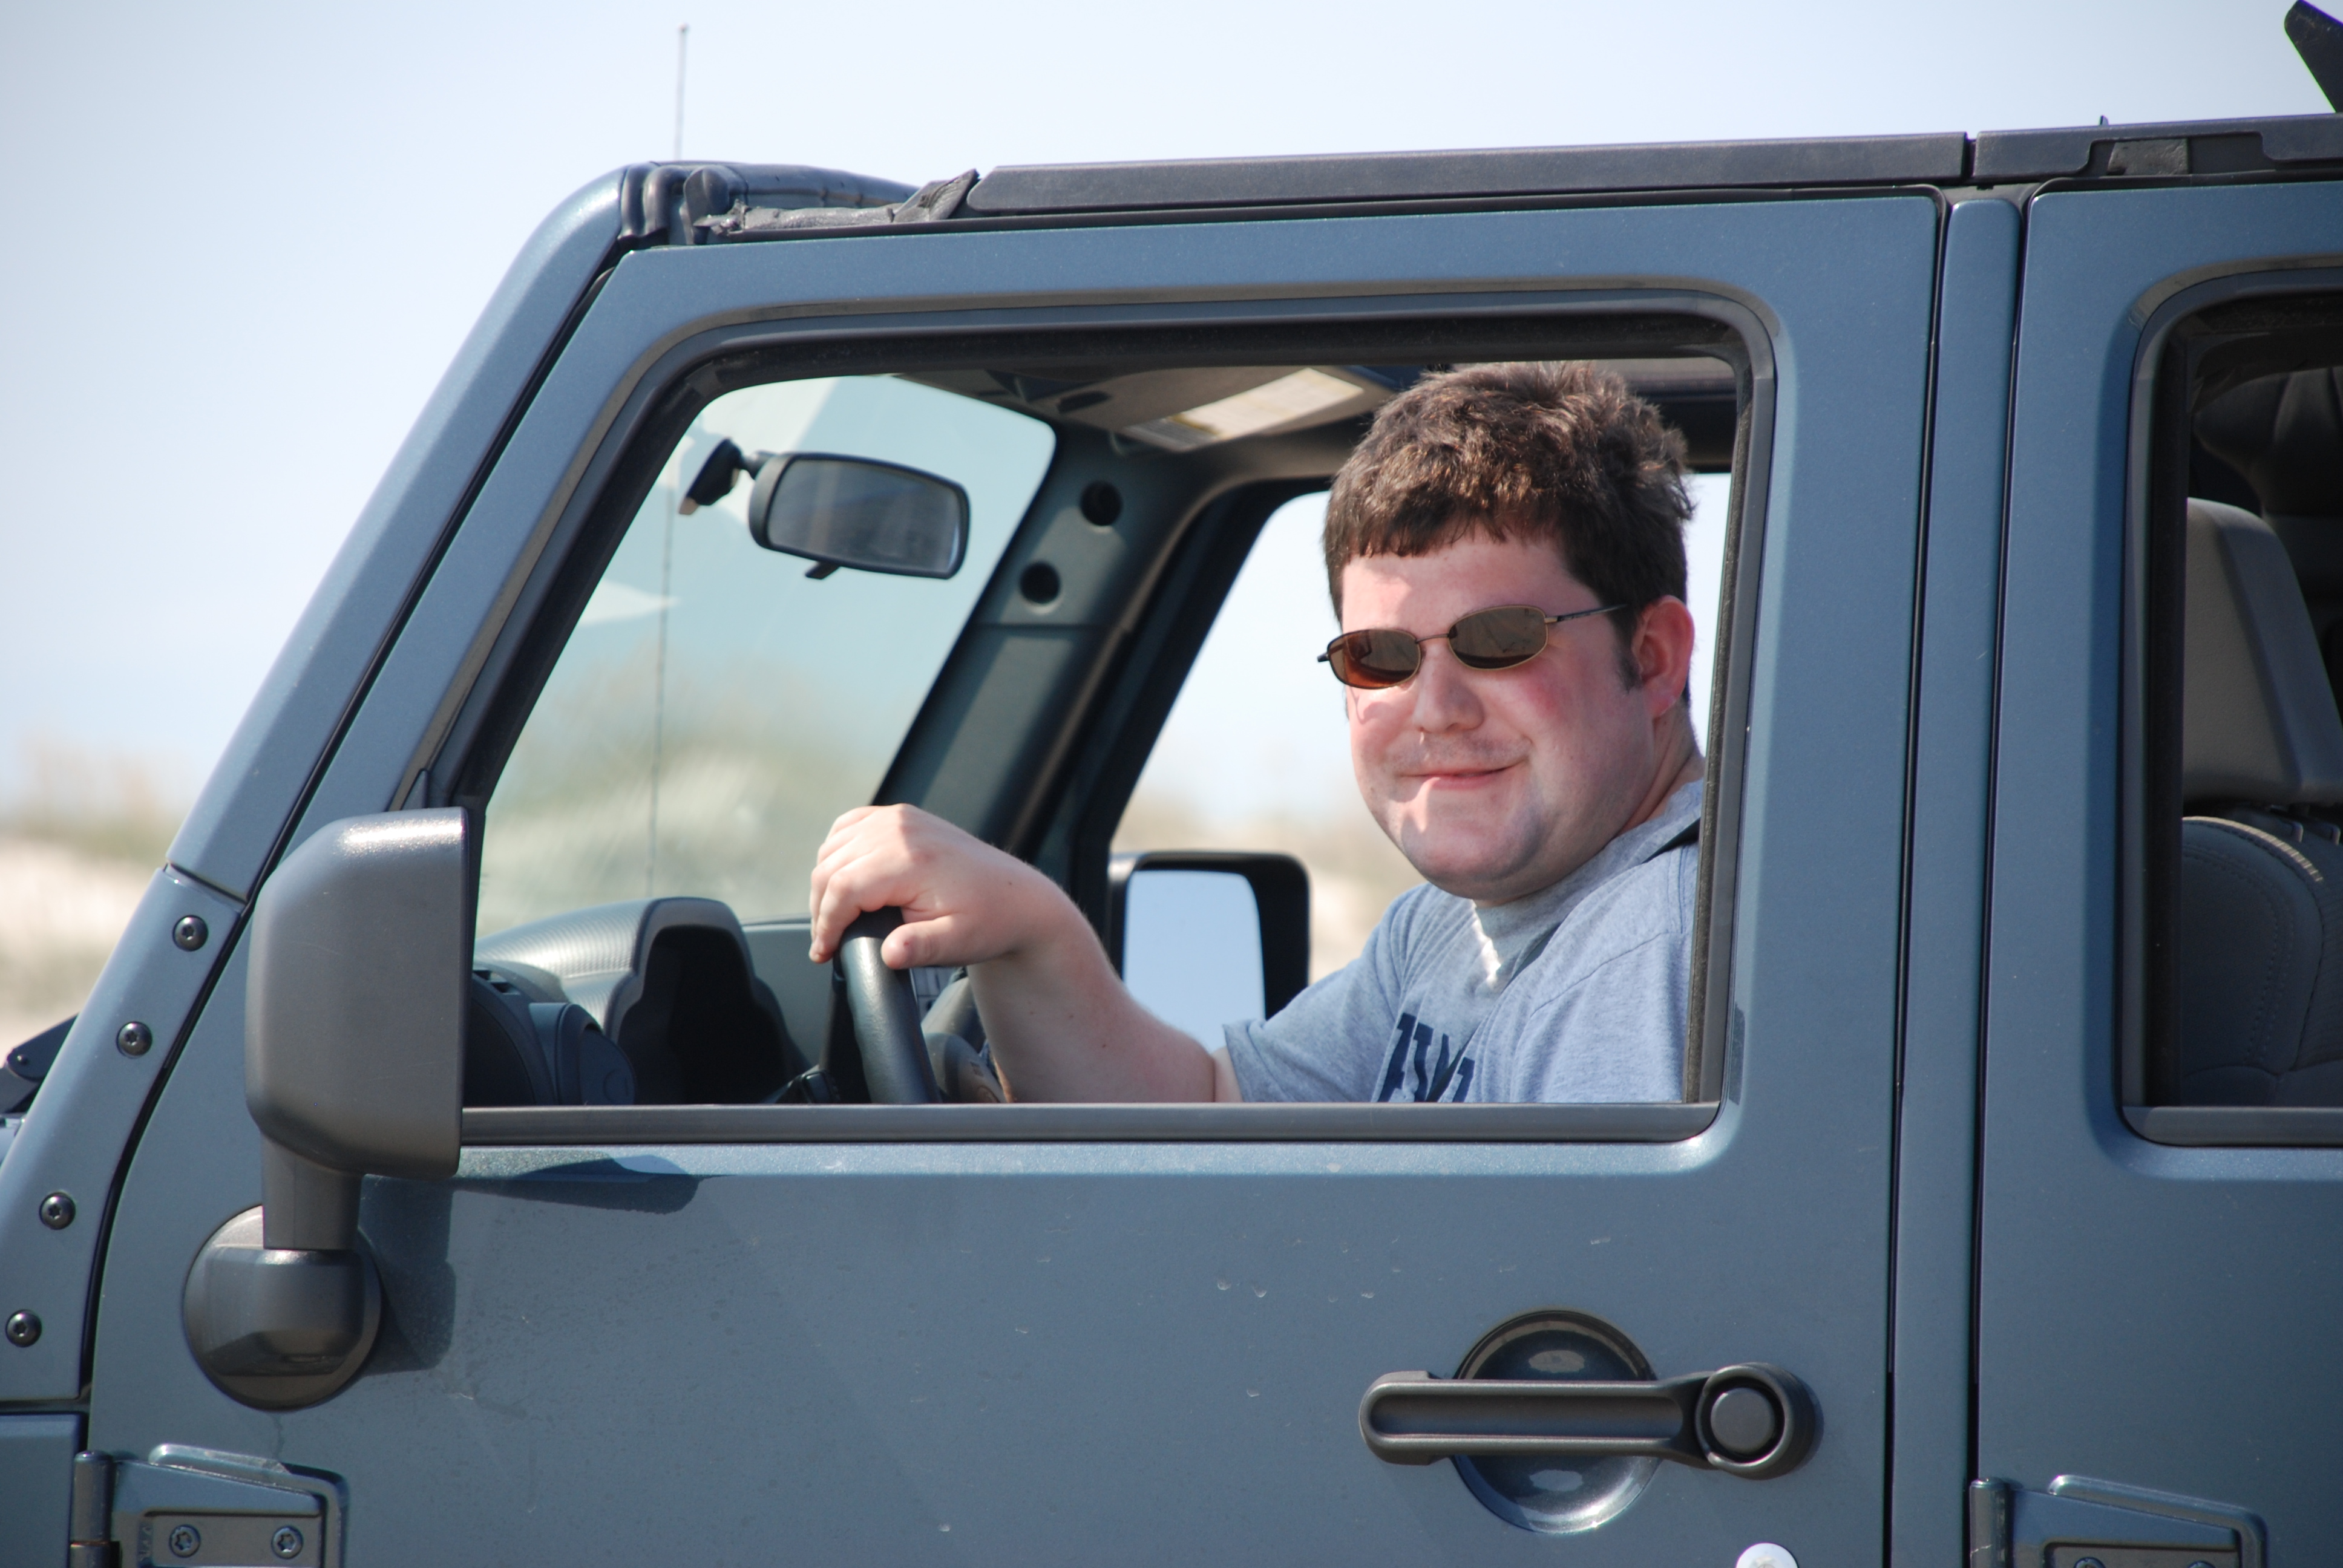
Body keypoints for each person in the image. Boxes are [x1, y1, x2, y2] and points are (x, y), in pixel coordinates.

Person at [808, 361, 1704, 1103]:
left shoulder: (1644, 961)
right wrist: (1030, 929)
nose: (1436, 707)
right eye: (1379, 656)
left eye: (1500, 640)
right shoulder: (1450, 927)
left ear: (1654, 658)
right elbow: (1212, 1113)